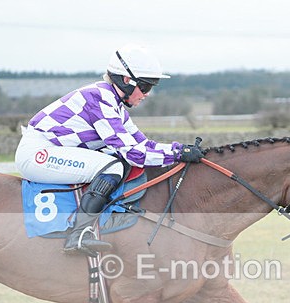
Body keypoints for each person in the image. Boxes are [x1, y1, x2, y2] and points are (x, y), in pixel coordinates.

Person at [15, 44, 203, 256]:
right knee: (113, 165)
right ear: (126, 81)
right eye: (145, 87)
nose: (147, 94)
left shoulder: (114, 105)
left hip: (52, 150)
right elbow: (134, 153)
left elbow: (143, 144)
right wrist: (177, 154)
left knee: (116, 162)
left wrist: (179, 149)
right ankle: (78, 235)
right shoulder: (100, 98)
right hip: (38, 153)